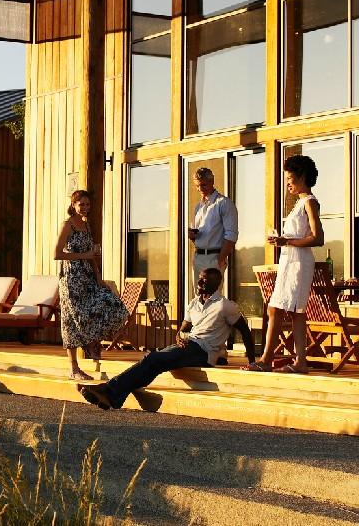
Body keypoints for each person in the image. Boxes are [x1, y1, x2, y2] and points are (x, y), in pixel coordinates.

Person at [77, 268, 253, 409]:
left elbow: (245, 332)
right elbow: (183, 329)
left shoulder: (225, 306)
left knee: (154, 359)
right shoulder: (194, 303)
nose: (199, 282)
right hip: (189, 345)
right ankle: (114, 396)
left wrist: (252, 362)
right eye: (199, 278)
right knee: (153, 361)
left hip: (204, 351)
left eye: (204, 280)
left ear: (216, 284)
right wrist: (179, 337)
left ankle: (109, 389)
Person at [244, 154, 323, 374]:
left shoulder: (309, 202)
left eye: (290, 178)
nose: (287, 182)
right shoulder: (299, 202)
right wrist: (282, 241)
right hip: (289, 260)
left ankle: (268, 359)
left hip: (299, 263)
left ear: (302, 176)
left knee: (276, 309)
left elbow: (318, 238)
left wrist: (286, 241)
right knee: (288, 310)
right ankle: (298, 362)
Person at [54, 190, 129, 381]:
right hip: (71, 279)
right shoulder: (68, 225)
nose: (85, 208)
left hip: (87, 276)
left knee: (113, 304)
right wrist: (84, 256)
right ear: (74, 205)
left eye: (88, 205)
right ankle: (74, 368)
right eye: (82, 205)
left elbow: (92, 255)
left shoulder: (87, 226)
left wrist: (98, 277)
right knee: (71, 319)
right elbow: (57, 254)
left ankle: (92, 341)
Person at [188, 166, 244, 363]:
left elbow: (231, 235)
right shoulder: (198, 207)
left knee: (213, 302)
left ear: (212, 182)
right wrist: (193, 237)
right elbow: (204, 235)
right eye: (197, 186)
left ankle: (218, 349)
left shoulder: (223, 203)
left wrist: (221, 259)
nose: (201, 188)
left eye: (203, 184)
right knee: (199, 300)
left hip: (214, 257)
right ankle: (202, 343)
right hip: (199, 255)